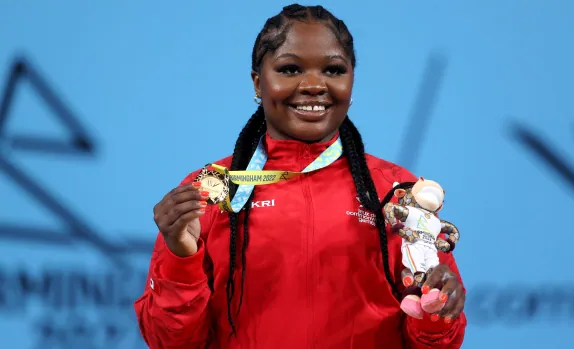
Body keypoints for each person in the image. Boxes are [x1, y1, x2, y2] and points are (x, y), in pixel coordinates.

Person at [133, 4, 466, 348]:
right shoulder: (212, 189)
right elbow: (169, 342)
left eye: (333, 70)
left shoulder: (396, 192)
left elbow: (437, 342)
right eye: (290, 69)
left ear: (352, 82)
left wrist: (438, 313)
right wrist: (181, 260)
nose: (312, 85)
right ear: (259, 82)